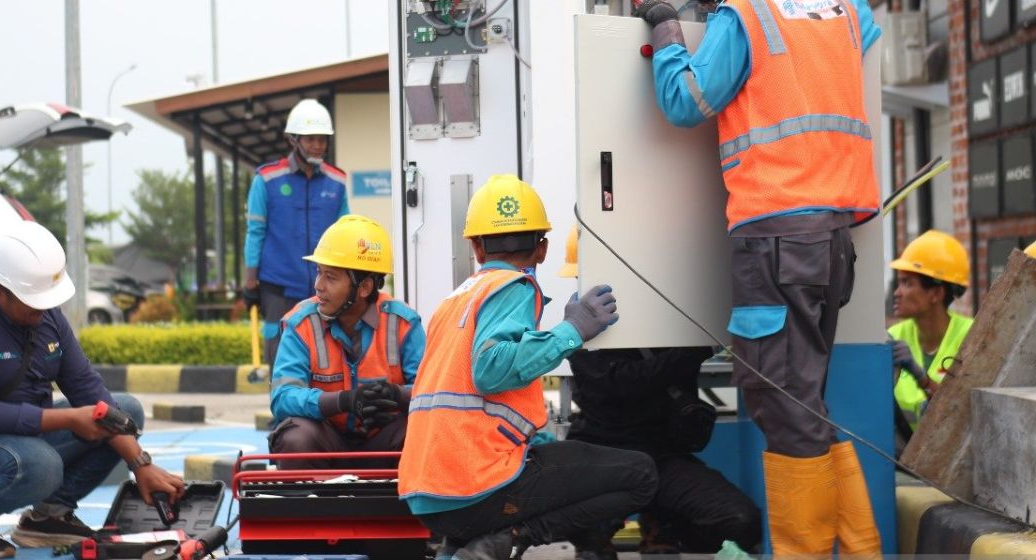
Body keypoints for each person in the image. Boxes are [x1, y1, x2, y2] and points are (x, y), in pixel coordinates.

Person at [635, 0, 882, 556]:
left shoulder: (740, 15)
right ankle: (857, 552)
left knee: (779, 405)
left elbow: (688, 102)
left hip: (775, 240)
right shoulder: (843, 12)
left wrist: (665, 34)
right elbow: (862, 30)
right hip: (832, 241)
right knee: (807, 406)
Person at [398, 174, 658, 560]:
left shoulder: (454, 302)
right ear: (542, 249)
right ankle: (511, 539)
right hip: (476, 486)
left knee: (563, 460)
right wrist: (572, 331)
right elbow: (489, 369)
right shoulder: (515, 287)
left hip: (428, 491)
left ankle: (460, 547)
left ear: (476, 248)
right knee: (641, 475)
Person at [0, 222, 184, 560]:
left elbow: (88, 388)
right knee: (42, 464)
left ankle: (47, 516)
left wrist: (140, 463)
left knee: (124, 413)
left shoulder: (47, 319)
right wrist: (71, 418)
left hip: (18, 441)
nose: (42, 309)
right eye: (33, 301)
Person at [559, 227, 762, 554]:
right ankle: (601, 533)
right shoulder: (576, 330)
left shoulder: (670, 316)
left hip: (663, 459)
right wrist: (697, 349)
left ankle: (663, 524)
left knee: (741, 522)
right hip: (602, 455)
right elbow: (622, 383)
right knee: (580, 530)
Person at [269, 214, 425, 468]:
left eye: (330, 277)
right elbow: (283, 398)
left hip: (383, 444)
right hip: (326, 441)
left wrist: (397, 395)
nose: (318, 286)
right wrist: (343, 401)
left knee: (424, 431)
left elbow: (432, 393)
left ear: (363, 288)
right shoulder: (300, 323)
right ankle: (309, 507)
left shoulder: (403, 323)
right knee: (295, 438)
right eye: (319, 273)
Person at [243, 98, 350, 367]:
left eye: (322, 139)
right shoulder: (266, 179)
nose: (318, 145)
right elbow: (255, 232)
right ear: (294, 140)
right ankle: (281, 405)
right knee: (279, 353)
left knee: (324, 351)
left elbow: (344, 234)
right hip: (278, 284)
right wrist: (249, 283)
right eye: (311, 138)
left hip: (324, 284)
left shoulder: (337, 182)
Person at [888, 230, 973, 432]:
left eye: (907, 283)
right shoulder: (894, 336)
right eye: (899, 282)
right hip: (902, 459)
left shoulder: (973, 337)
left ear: (936, 293)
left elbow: (965, 410)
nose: (897, 293)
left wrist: (920, 377)